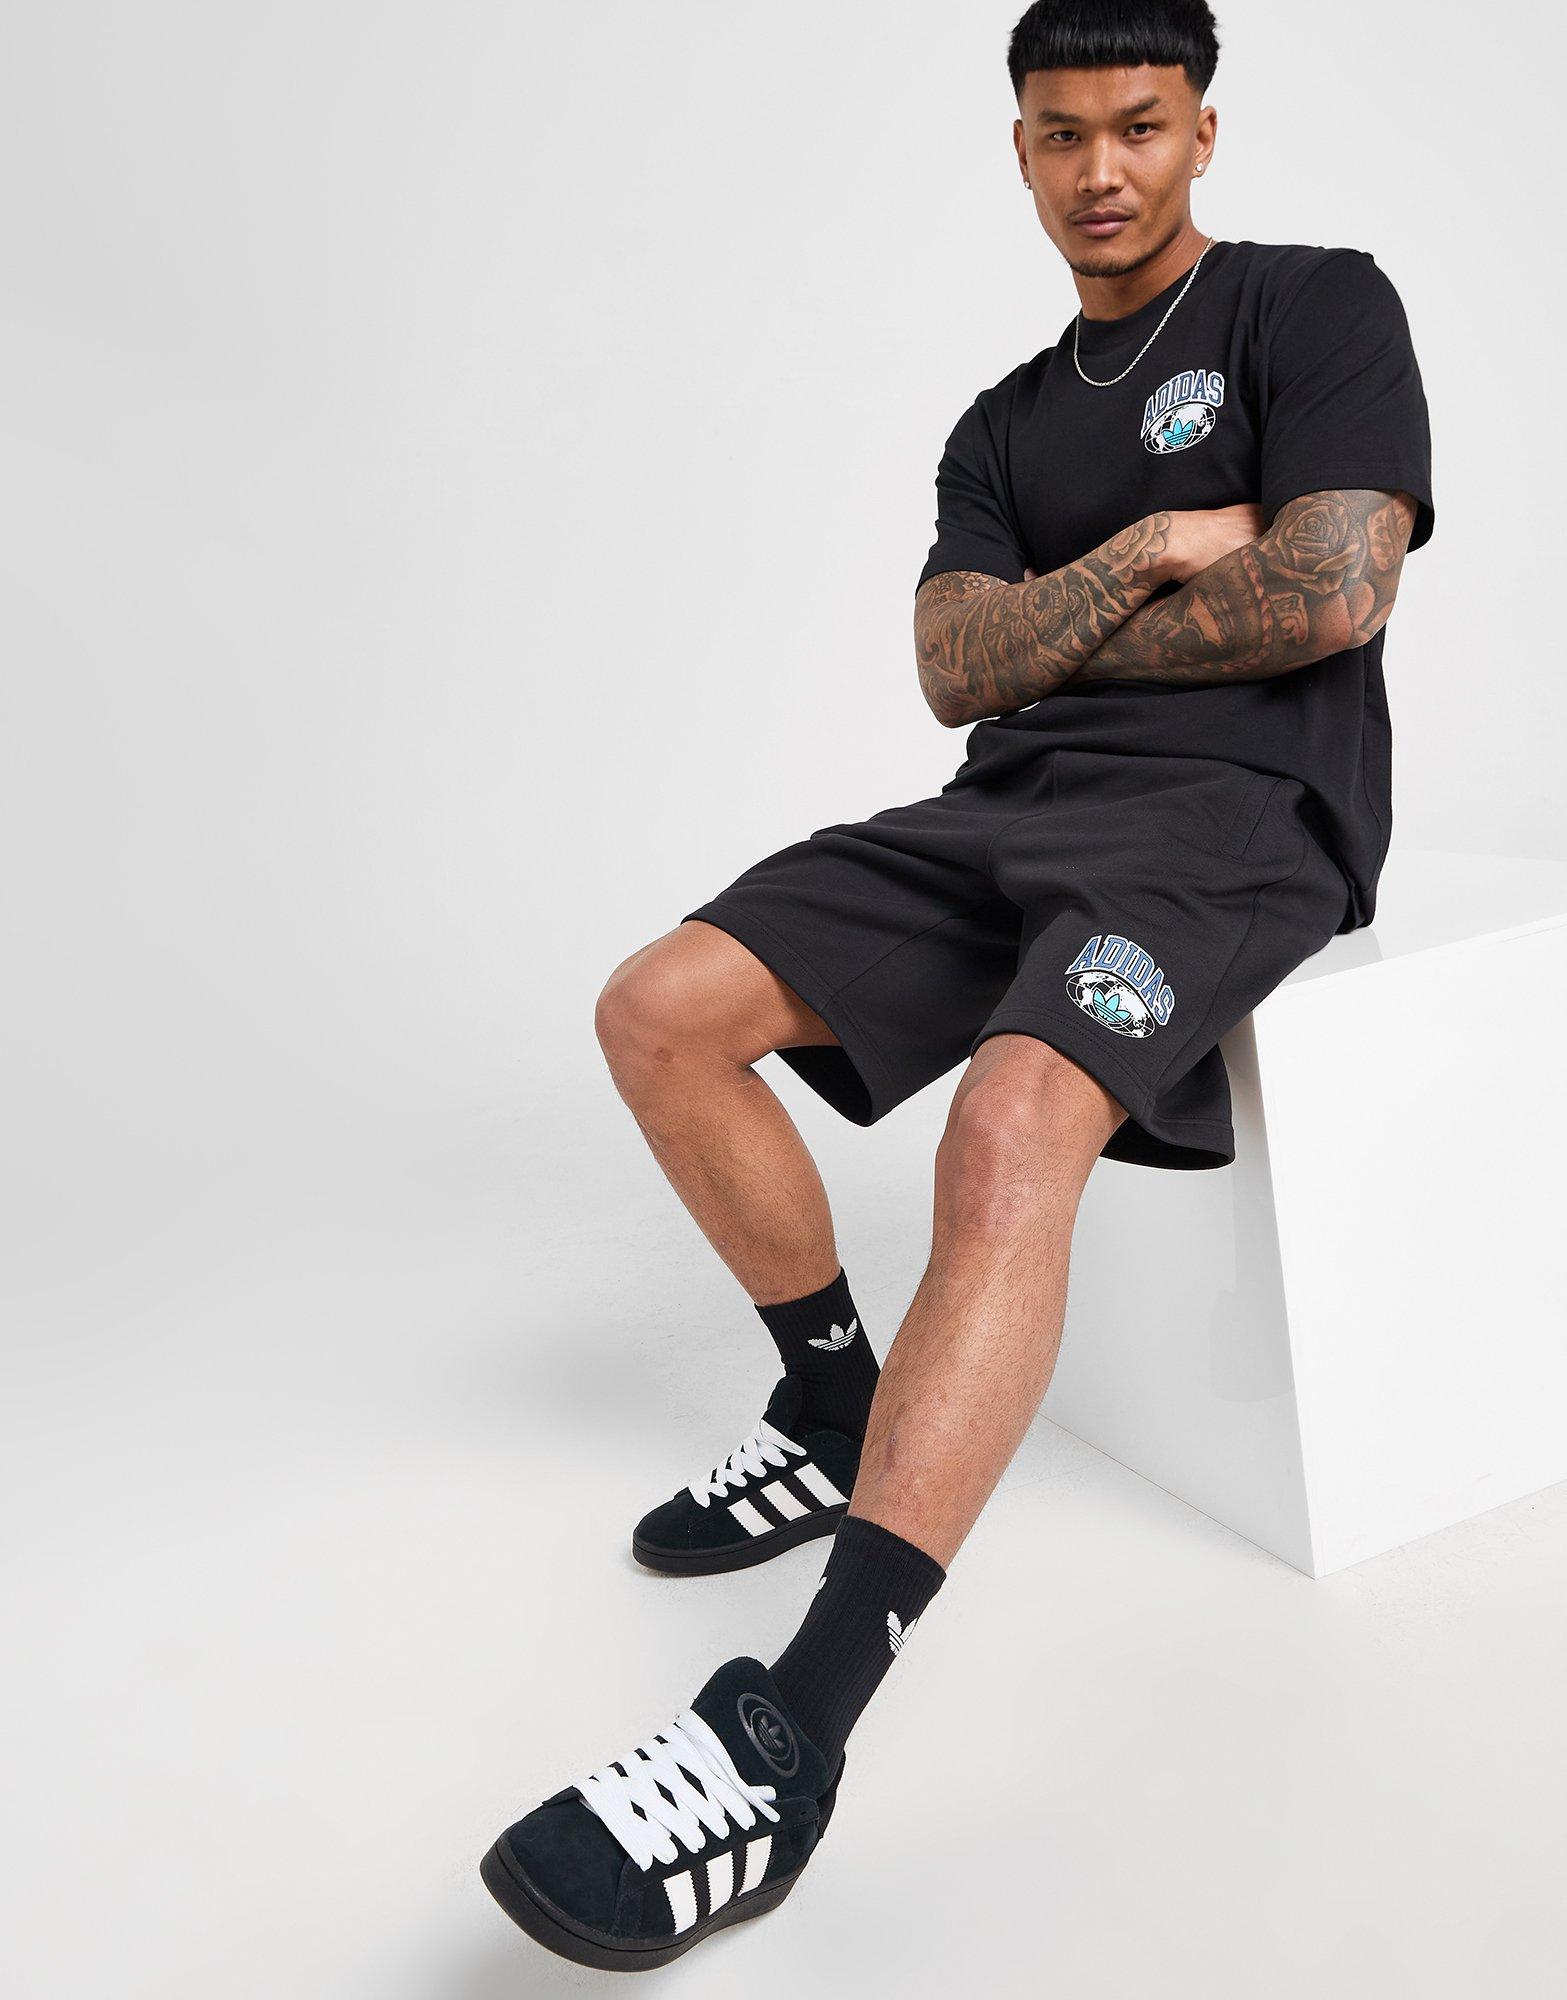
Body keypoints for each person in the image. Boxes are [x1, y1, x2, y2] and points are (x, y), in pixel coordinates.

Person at [480, 0, 1435, 1969]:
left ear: (1202, 131)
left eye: (1140, 125)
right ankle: (835, 1400)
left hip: (1238, 824)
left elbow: (1336, 585)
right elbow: (951, 671)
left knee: (1009, 1122)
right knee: (659, 1008)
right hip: (1006, 810)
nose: (1102, 169)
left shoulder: (1314, 304)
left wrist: (1057, 628)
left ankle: (795, 1729)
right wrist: (1157, 552)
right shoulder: (1001, 424)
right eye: (1061, 133)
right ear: (1018, 150)